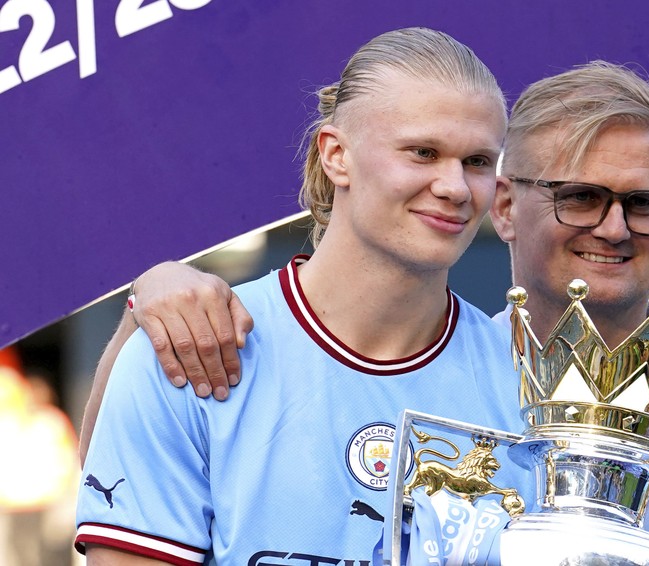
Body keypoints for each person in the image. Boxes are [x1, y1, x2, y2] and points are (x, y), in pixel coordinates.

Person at [81, 63, 649, 564]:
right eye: (578, 197)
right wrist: (141, 317)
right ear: (507, 209)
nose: (612, 227)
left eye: (643, 204)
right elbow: (123, 490)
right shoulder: (472, 374)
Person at [76, 27, 530, 565]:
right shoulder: (192, 347)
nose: (455, 187)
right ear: (337, 155)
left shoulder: (526, 381)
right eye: (423, 152)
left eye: (477, 161)